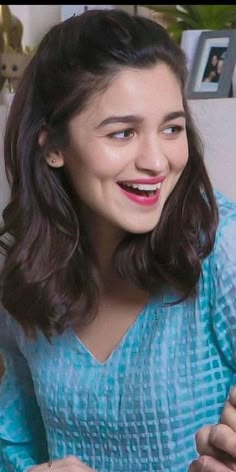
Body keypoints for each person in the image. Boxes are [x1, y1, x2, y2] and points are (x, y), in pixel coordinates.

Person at [0, 8, 236, 472]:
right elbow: (15, 442)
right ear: (52, 146)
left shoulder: (220, 247)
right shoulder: (24, 273)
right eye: (123, 132)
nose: (158, 161)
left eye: (172, 128)